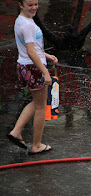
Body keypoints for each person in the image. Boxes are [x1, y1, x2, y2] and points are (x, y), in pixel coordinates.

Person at [6, 0, 58, 154]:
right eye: (30, 5)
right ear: (20, 5)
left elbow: (30, 47)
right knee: (41, 106)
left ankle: (16, 132)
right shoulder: (28, 25)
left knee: (36, 102)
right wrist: (45, 72)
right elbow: (31, 51)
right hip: (33, 67)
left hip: (24, 65)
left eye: (36, 4)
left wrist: (46, 55)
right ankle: (37, 145)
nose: (34, 7)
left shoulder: (21, 20)